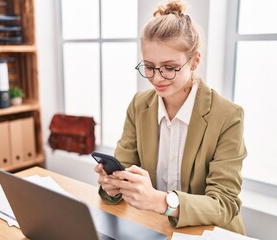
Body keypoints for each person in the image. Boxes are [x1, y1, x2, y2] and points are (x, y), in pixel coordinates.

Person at [94, 0, 247, 235]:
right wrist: (113, 187)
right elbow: (122, 175)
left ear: (195, 61)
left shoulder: (227, 116)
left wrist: (161, 201)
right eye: (149, 66)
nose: (157, 78)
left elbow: (224, 204)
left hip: (208, 233)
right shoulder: (139, 105)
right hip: (153, 229)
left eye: (169, 67)